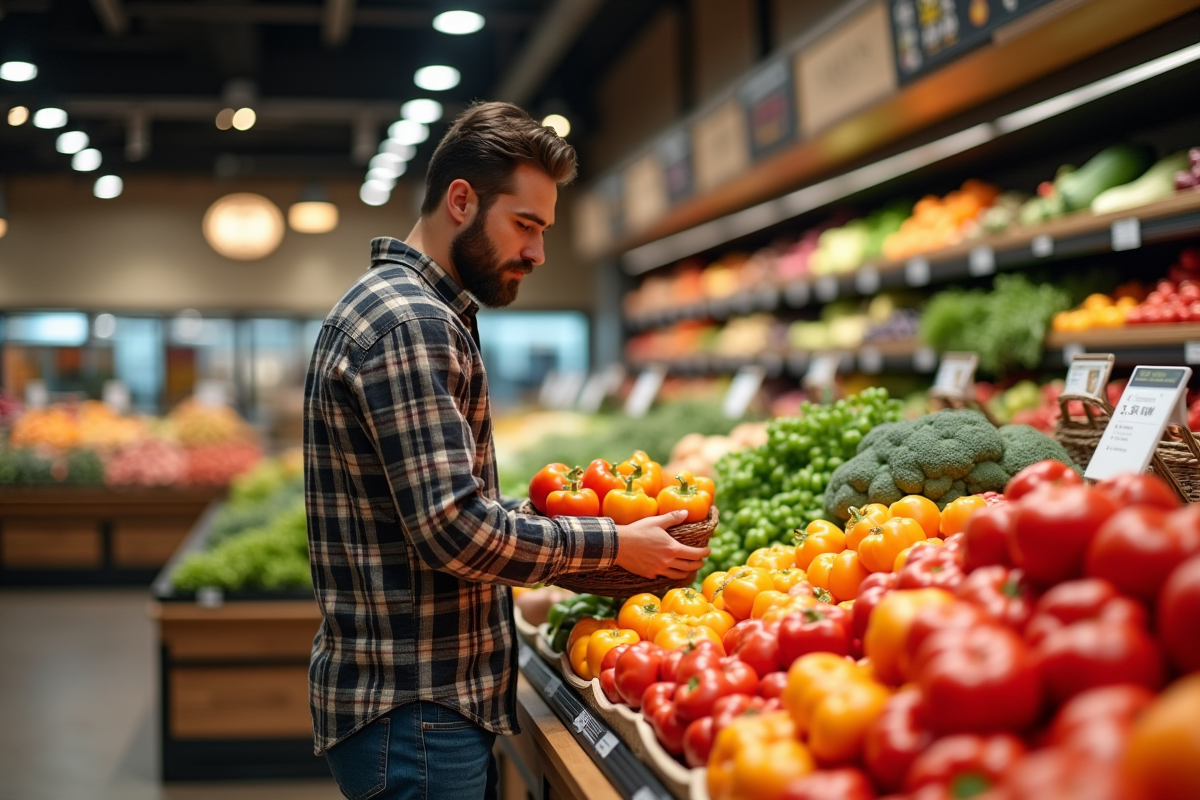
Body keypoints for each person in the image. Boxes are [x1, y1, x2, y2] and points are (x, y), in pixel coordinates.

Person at [303, 101, 710, 800]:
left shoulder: (408, 307)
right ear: (461, 200)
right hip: (419, 714)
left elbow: (450, 510)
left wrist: (586, 528)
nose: (538, 252)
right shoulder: (412, 323)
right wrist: (611, 544)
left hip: (416, 709)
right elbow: (452, 530)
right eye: (525, 224)